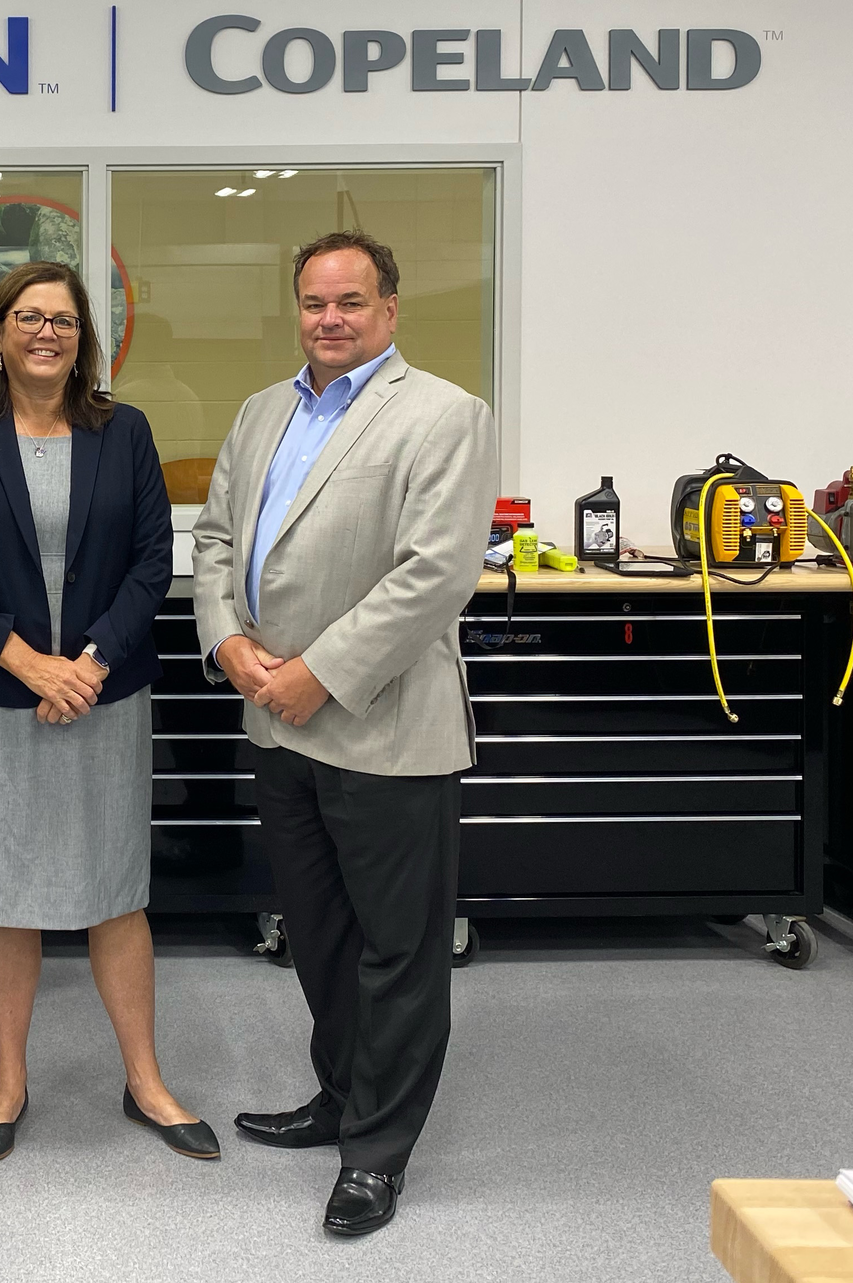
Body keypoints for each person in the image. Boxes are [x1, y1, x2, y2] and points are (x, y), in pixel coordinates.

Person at [191, 230, 496, 1238]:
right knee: (319, 940)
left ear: (390, 309)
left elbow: (436, 573)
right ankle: (340, 1094)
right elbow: (218, 540)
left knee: (396, 952)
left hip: (382, 727)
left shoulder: (445, 415)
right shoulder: (261, 412)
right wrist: (230, 645)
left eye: (351, 303)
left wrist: (319, 674)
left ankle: (376, 1154)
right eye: (315, 303)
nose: (330, 320)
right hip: (276, 725)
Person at [0, 260, 217, 1164]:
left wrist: (83, 667)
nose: (48, 333)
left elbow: (152, 560)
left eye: (66, 321)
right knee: (6, 895)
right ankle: (8, 1082)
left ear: (84, 340)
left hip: (102, 693)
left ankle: (146, 1081)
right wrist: (30, 664)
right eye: (30, 317)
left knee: (115, 891)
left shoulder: (123, 433)